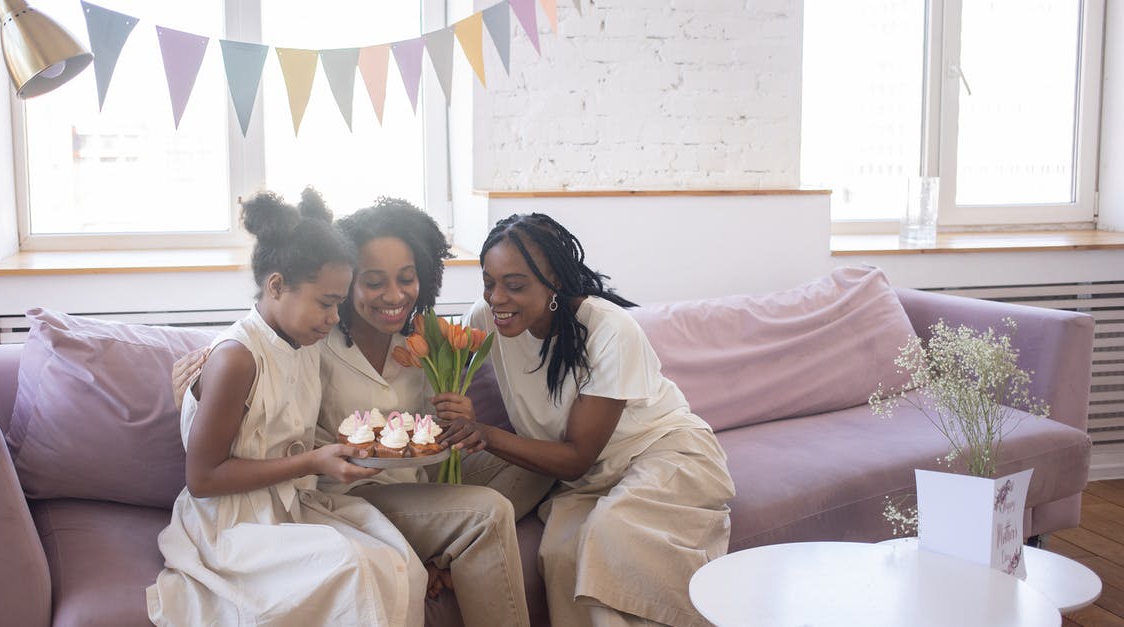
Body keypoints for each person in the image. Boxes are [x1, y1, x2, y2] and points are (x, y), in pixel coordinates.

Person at [173, 195, 548, 626]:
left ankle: (447, 546)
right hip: (345, 491)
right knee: (484, 513)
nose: (394, 295)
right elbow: (247, 375)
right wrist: (191, 391)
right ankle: (446, 541)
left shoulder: (419, 341)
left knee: (538, 460)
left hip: (412, 479)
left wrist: (459, 417)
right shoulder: (313, 340)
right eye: (372, 282)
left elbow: (423, 433)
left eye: (407, 278)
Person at [434, 213, 736, 627]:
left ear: (554, 281)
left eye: (515, 285)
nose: (497, 297)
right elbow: (439, 368)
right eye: (489, 282)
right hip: (589, 480)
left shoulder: (608, 329)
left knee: (611, 535)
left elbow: (576, 456)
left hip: (663, 454)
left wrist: (482, 433)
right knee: (560, 552)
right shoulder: (484, 319)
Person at [147, 189, 425, 626]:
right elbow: (201, 478)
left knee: (399, 561)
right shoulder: (237, 358)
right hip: (231, 526)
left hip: (287, 506)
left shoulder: (303, 342)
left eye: (339, 302)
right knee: (349, 566)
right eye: (327, 303)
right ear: (276, 285)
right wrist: (313, 461)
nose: (335, 318)